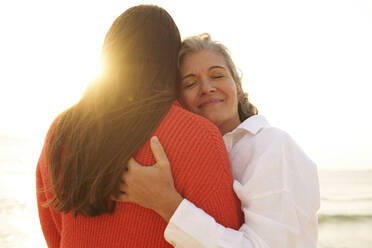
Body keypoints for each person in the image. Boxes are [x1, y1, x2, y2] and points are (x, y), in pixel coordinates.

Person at [36, 7, 243, 248]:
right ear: (170, 62)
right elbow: (225, 235)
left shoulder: (61, 130)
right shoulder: (196, 134)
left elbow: (54, 232)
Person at [115, 33, 321, 247]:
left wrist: (167, 203)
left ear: (238, 87)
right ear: (179, 100)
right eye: (190, 83)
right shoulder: (192, 157)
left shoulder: (272, 146)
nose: (207, 88)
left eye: (217, 75)